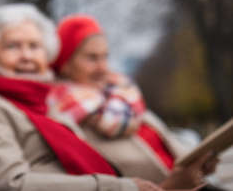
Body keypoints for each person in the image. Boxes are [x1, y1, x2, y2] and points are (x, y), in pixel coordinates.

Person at [0, 3, 213, 191]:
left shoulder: (44, 100)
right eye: (13, 46)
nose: (26, 56)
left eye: (34, 47)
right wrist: (126, 188)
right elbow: (8, 184)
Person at [50, 14, 220, 190]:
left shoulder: (123, 97)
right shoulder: (67, 122)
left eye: (105, 57)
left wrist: (200, 164)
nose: (102, 67)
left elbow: (167, 148)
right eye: (92, 58)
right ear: (65, 63)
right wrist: (170, 186)